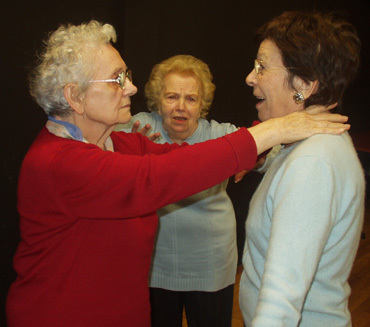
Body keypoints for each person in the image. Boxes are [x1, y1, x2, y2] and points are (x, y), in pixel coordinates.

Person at [5, 20, 349, 327]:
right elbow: (159, 177)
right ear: (75, 97)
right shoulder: (57, 162)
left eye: (126, 76)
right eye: (116, 79)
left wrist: (253, 151)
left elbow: (187, 161)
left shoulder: (121, 146)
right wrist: (274, 130)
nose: (132, 88)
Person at [238, 11, 365, 327]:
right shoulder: (308, 145)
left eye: (262, 67)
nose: (250, 78)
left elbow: (282, 300)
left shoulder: (313, 162)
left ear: (304, 85)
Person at [116, 54, 241, 327]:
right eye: (172, 97)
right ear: (157, 102)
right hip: (155, 264)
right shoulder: (138, 128)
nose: (181, 107)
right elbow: (95, 152)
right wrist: (130, 153)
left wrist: (254, 157)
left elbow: (269, 148)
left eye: (191, 99)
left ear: (202, 104)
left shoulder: (219, 136)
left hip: (211, 263)